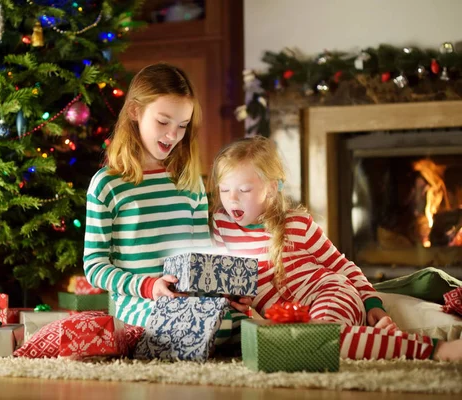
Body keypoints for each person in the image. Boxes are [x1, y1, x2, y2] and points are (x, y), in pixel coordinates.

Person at [209, 136, 462, 361]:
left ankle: (436, 350)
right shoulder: (221, 226)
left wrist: (373, 303)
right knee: (298, 345)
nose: (232, 199)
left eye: (243, 190)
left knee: (322, 338)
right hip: (281, 319)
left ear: (272, 189)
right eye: (224, 189)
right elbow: (224, 281)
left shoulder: (297, 224)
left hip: (328, 293)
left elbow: (342, 266)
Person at [82, 62, 211, 328]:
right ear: (135, 111)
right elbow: (94, 266)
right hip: (137, 302)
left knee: (240, 324)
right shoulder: (107, 185)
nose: (173, 135)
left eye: (183, 125)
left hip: (188, 299)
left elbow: (203, 256)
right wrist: (149, 287)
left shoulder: (189, 182)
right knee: (181, 325)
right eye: (163, 121)